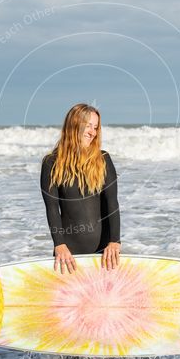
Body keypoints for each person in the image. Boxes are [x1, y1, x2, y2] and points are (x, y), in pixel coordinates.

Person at [40, 103, 121, 274]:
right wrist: (59, 245)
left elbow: (112, 203)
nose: (93, 132)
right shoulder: (51, 163)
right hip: (69, 255)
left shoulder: (103, 159)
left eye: (96, 127)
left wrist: (115, 241)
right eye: (88, 126)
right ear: (74, 125)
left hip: (105, 253)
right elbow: (52, 208)